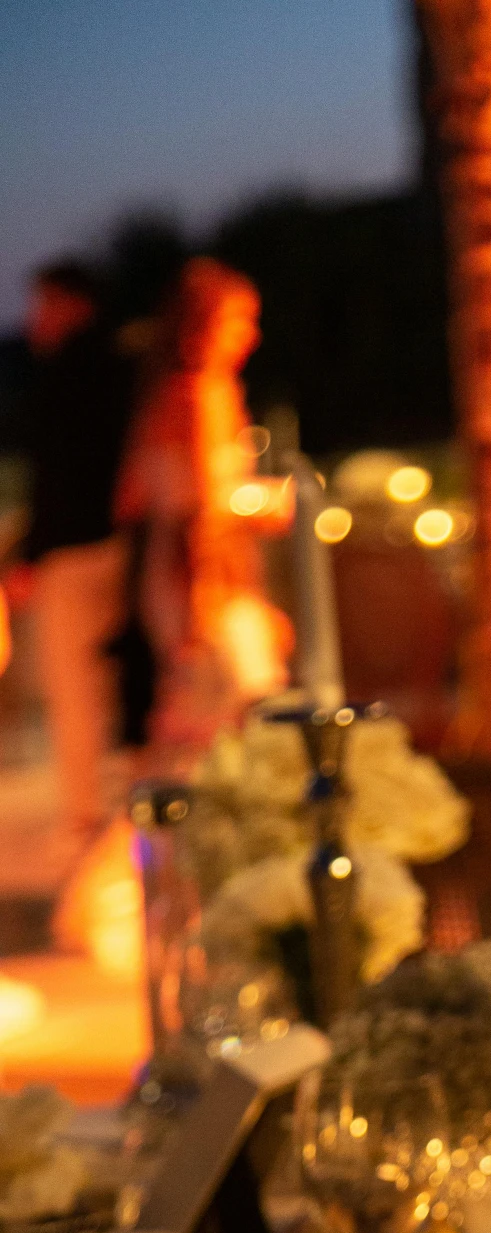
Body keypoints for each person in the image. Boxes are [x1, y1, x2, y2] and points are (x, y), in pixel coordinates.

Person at [114, 257, 290, 752]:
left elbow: (133, 499)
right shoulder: (200, 394)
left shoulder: (162, 397)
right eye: (238, 321)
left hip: (178, 571)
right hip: (200, 574)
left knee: (203, 710)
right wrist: (269, 501)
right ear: (204, 325)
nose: (248, 336)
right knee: (238, 711)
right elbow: (205, 508)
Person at [4, 260, 134, 852]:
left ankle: (86, 817)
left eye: (42, 305)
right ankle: (114, 810)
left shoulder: (65, 378)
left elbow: (53, 477)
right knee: (108, 685)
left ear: (70, 303)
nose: (35, 321)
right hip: (119, 546)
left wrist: (29, 556)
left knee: (72, 687)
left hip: (74, 552)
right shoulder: (124, 369)